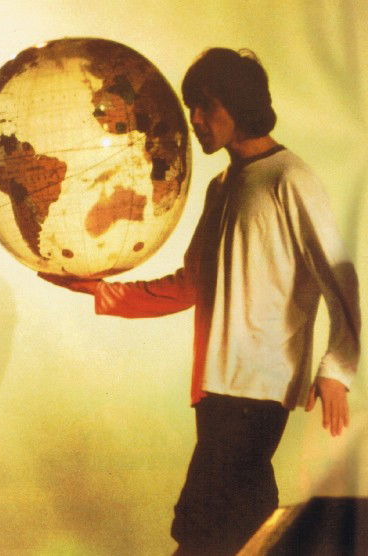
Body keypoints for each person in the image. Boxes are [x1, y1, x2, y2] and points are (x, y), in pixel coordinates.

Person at [39, 48, 360, 555]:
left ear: (239, 104)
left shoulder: (289, 178)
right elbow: (189, 284)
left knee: (202, 524)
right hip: (215, 386)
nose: (194, 121)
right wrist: (99, 288)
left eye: (206, 106)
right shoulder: (222, 187)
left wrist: (337, 370)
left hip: (258, 385)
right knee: (240, 521)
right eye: (191, 107)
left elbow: (340, 277)